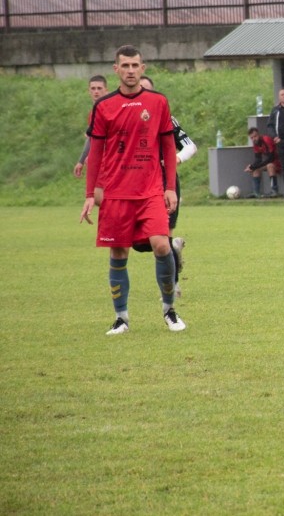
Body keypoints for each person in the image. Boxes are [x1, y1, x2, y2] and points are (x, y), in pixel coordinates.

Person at [79, 44, 185, 334]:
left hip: (150, 190)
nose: (130, 70)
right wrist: (89, 194)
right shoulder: (104, 106)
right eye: (124, 66)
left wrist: (170, 188)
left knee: (161, 244)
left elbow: (168, 146)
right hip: (116, 193)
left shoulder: (158, 102)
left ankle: (170, 311)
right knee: (118, 254)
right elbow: (95, 154)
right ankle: (121, 318)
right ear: (116, 69)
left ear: (143, 68)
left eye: (135, 65)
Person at [135, 74, 197, 297]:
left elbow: (190, 146)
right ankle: (174, 249)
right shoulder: (124, 117)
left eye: (147, 90)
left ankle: (172, 286)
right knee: (139, 242)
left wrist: (175, 159)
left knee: (162, 235)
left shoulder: (166, 119)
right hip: (136, 184)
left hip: (164, 183)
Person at [73, 75, 108, 178]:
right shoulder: (93, 113)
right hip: (97, 162)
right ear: (89, 91)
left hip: (109, 162)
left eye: (99, 88)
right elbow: (91, 138)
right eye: (93, 88)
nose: (96, 91)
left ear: (106, 90)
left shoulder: (110, 110)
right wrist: (81, 161)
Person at [246, 127, 280, 197]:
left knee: (269, 165)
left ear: (259, 134)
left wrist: (254, 166)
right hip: (271, 161)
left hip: (279, 161)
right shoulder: (255, 144)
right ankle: (256, 192)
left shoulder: (266, 139)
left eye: (255, 136)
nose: (254, 139)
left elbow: (271, 158)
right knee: (255, 169)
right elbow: (258, 159)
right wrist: (252, 167)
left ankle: (274, 190)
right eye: (252, 138)